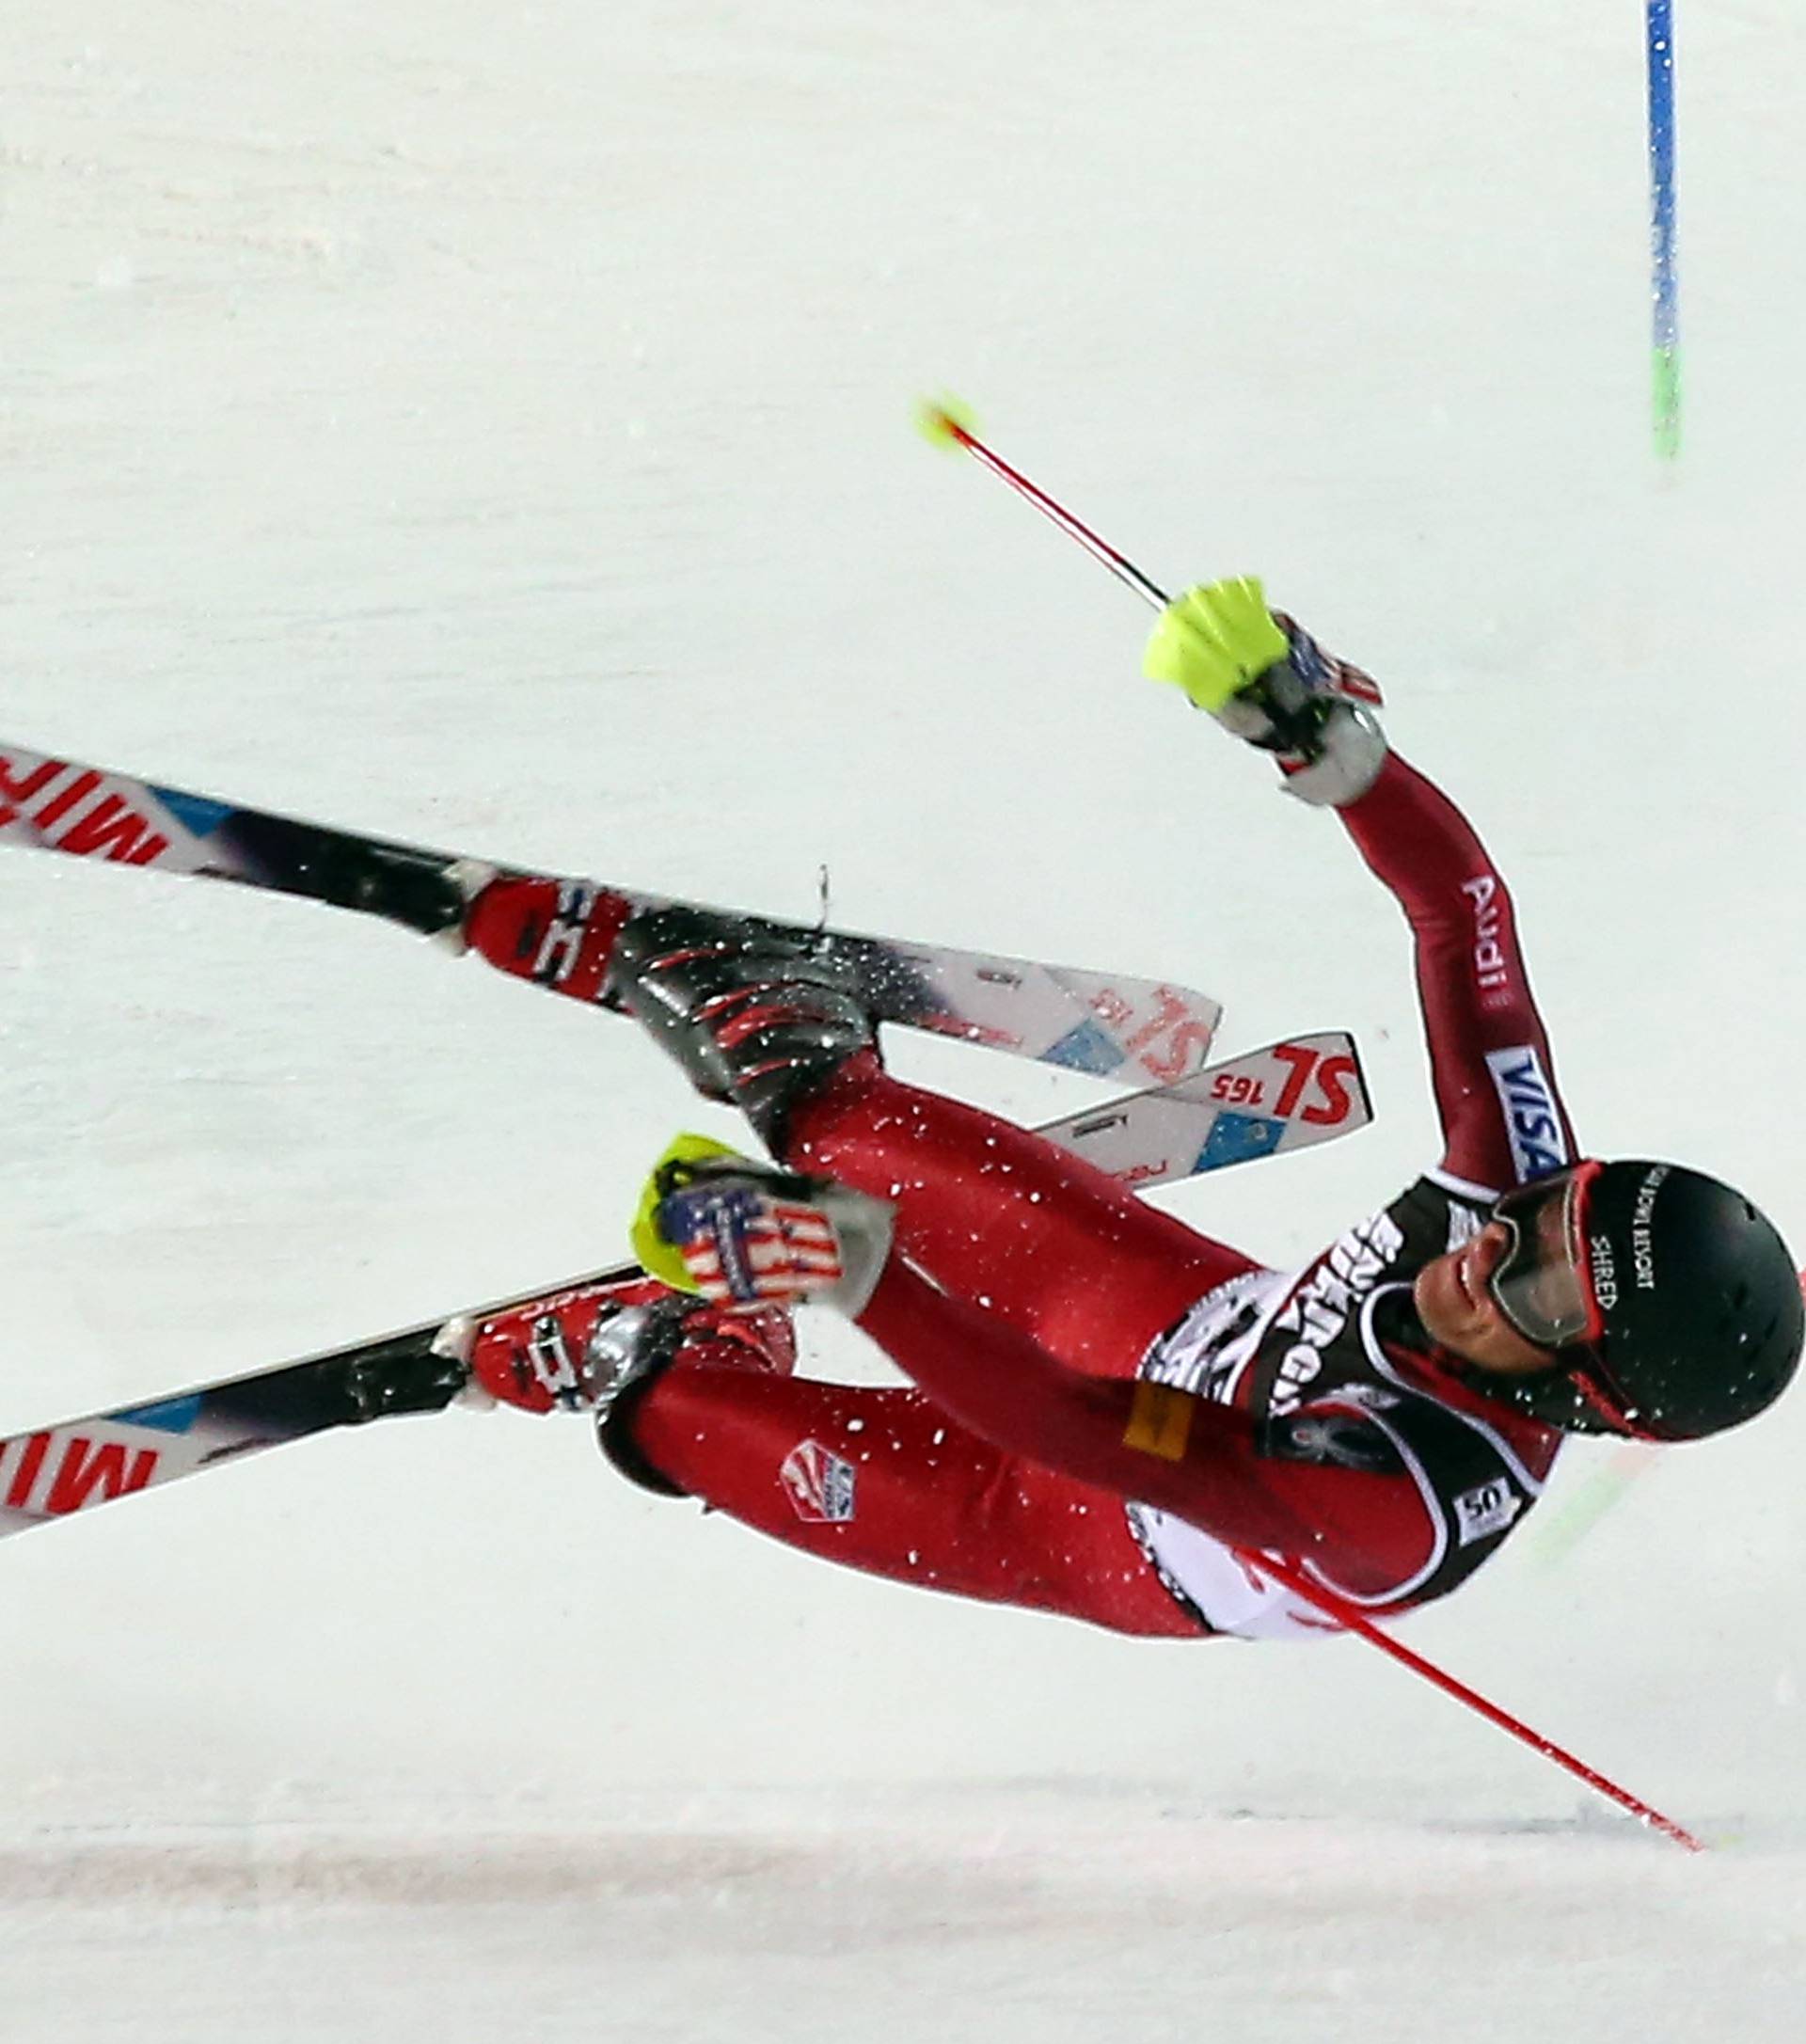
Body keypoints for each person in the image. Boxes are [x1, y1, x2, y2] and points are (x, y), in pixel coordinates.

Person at [451, 579, 1803, 1641]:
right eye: (1546, 1218)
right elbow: (1464, 916)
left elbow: (1073, 1434)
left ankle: (688, 1345)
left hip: (1075, 1515)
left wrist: (863, 1279)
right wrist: (1334, 752)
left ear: (1583, 1392)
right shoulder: (1505, 1182)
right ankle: (784, 1049)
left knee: (677, 1411)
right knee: (835, 1128)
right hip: (1160, 1314)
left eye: (1545, 1292)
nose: (1492, 1248)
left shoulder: (1400, 1502)